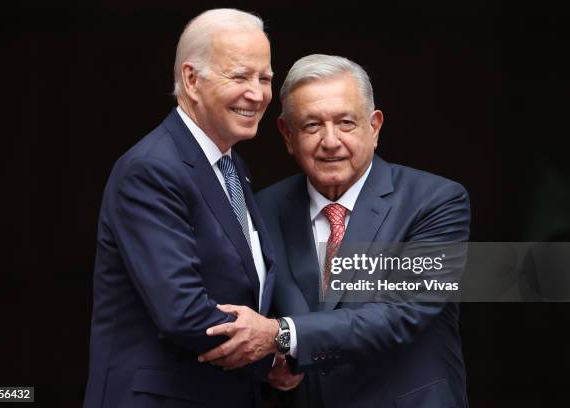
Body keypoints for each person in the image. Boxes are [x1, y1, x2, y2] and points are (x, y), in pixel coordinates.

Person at [200, 54, 470, 407]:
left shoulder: (436, 201)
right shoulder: (261, 209)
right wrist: (268, 364)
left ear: (374, 127)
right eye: (312, 125)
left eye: (345, 122)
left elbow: (404, 313)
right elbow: (245, 316)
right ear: (287, 135)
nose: (330, 141)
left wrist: (282, 335)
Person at [84, 9, 283, 408]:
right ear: (192, 80)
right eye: (240, 76)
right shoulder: (152, 169)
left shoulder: (231, 166)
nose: (258, 93)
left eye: (265, 78)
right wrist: (276, 344)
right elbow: (183, 311)